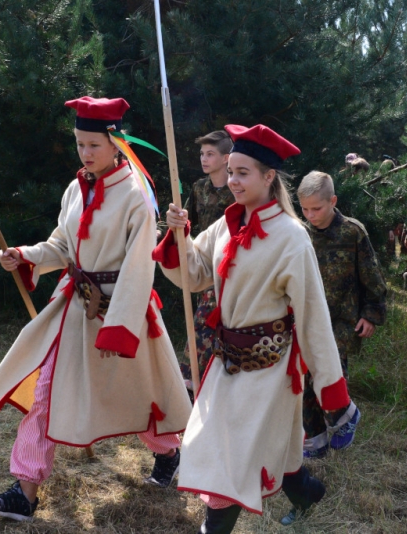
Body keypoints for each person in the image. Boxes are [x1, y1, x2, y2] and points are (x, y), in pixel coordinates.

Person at [0, 96, 192, 522]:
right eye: (79, 143)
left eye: (93, 144)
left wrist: (119, 327)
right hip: (73, 310)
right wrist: (25, 255)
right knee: (45, 393)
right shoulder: (75, 188)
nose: (85, 153)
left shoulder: (135, 196)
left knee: (141, 394)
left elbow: (139, 267)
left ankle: (168, 454)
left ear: (116, 143)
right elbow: (62, 245)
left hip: (122, 314)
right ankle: (25, 492)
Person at [154, 124, 357, 533]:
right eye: (230, 171)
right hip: (225, 362)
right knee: (257, 450)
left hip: (270, 371)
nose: (232, 181)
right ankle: (306, 492)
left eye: (242, 173)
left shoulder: (292, 238)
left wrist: (331, 388)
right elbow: (195, 274)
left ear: (269, 177)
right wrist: (179, 236)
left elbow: (313, 317)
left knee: (234, 461)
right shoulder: (226, 226)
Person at [296, 171, 387, 458]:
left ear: (333, 201)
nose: (310, 215)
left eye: (316, 208)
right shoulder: (300, 233)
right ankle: (315, 439)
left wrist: (371, 313)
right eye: (305, 209)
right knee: (304, 379)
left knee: (330, 374)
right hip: (307, 318)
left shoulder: (352, 232)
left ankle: (343, 417)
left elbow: (372, 276)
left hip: (342, 321)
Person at [180, 130, 235, 393]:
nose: (203, 159)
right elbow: (186, 220)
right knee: (204, 322)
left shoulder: (238, 189)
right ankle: (194, 383)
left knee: (208, 322)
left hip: (231, 267)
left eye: (210, 154)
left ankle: (193, 380)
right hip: (204, 265)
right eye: (202, 154)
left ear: (226, 158)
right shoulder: (199, 188)